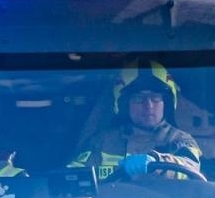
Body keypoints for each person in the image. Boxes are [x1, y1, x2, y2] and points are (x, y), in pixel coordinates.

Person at [71, 59, 205, 181]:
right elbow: (75, 175)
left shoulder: (180, 140)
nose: (149, 106)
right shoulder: (102, 141)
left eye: (155, 98)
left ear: (167, 103)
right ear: (124, 105)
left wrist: (156, 161)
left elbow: (191, 167)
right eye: (138, 98)